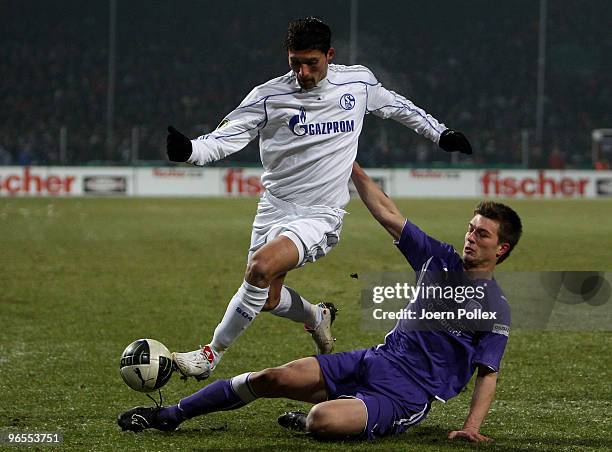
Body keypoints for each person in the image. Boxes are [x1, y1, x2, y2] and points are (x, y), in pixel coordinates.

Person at [118, 163, 522, 442]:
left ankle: (333, 413)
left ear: (501, 249)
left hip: (407, 396)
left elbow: (488, 372)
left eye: (482, 235)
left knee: (320, 420)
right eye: (471, 229)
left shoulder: (495, 308)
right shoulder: (439, 258)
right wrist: (349, 162)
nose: (471, 237)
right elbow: (387, 213)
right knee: (271, 378)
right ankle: (171, 414)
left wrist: (471, 426)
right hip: (373, 361)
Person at [167, 17, 473, 381]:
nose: (303, 71)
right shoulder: (269, 96)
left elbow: (398, 107)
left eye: (312, 62)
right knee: (265, 297)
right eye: (295, 62)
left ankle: (210, 355)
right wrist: (190, 150)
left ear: (330, 55)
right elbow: (226, 136)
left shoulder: (357, 82)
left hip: (320, 214)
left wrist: (441, 134)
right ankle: (316, 316)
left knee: (261, 268)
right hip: (274, 208)